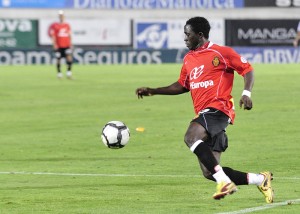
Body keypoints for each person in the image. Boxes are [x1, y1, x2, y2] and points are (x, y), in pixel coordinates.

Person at [136, 17, 274, 203]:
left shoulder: (221, 52)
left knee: (190, 137)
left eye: (188, 34)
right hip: (205, 114)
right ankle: (260, 179)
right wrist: (153, 91)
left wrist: (246, 93)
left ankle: (224, 182)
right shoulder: (189, 59)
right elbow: (182, 86)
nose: (185, 38)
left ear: (199, 35)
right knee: (210, 171)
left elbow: (247, 69)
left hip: (219, 108)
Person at [49, 10, 73, 79]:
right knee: (58, 59)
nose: (61, 17)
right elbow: (53, 36)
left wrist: (71, 44)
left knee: (69, 58)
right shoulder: (55, 26)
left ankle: (69, 73)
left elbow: (69, 35)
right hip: (59, 46)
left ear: (64, 17)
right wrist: (54, 45)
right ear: (59, 17)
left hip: (66, 45)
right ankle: (59, 74)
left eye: (62, 16)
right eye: (60, 16)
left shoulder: (67, 25)